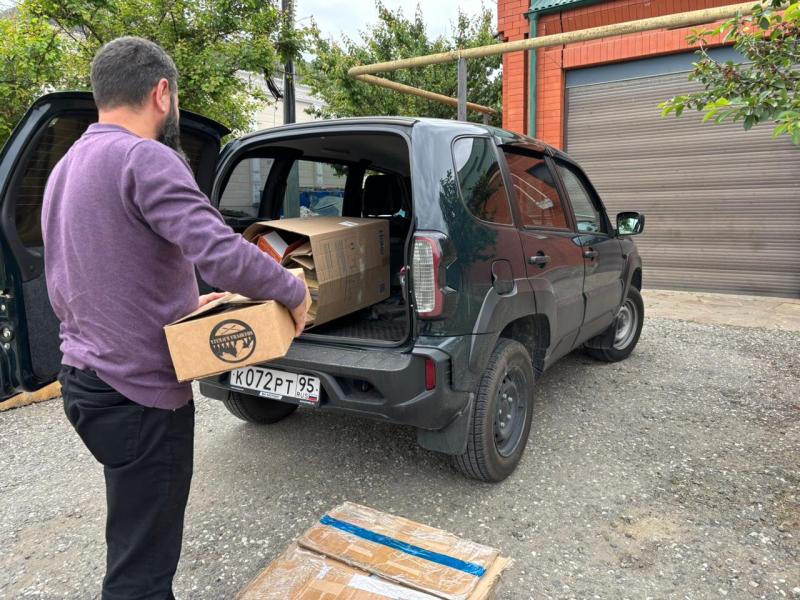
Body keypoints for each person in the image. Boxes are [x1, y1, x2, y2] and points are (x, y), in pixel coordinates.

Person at [41, 36, 310, 600]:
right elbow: (219, 252)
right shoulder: (144, 157)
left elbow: (96, 269)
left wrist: (184, 310)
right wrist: (293, 290)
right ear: (162, 92)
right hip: (140, 396)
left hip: (85, 382)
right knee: (142, 573)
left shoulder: (66, 167)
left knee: (133, 536)